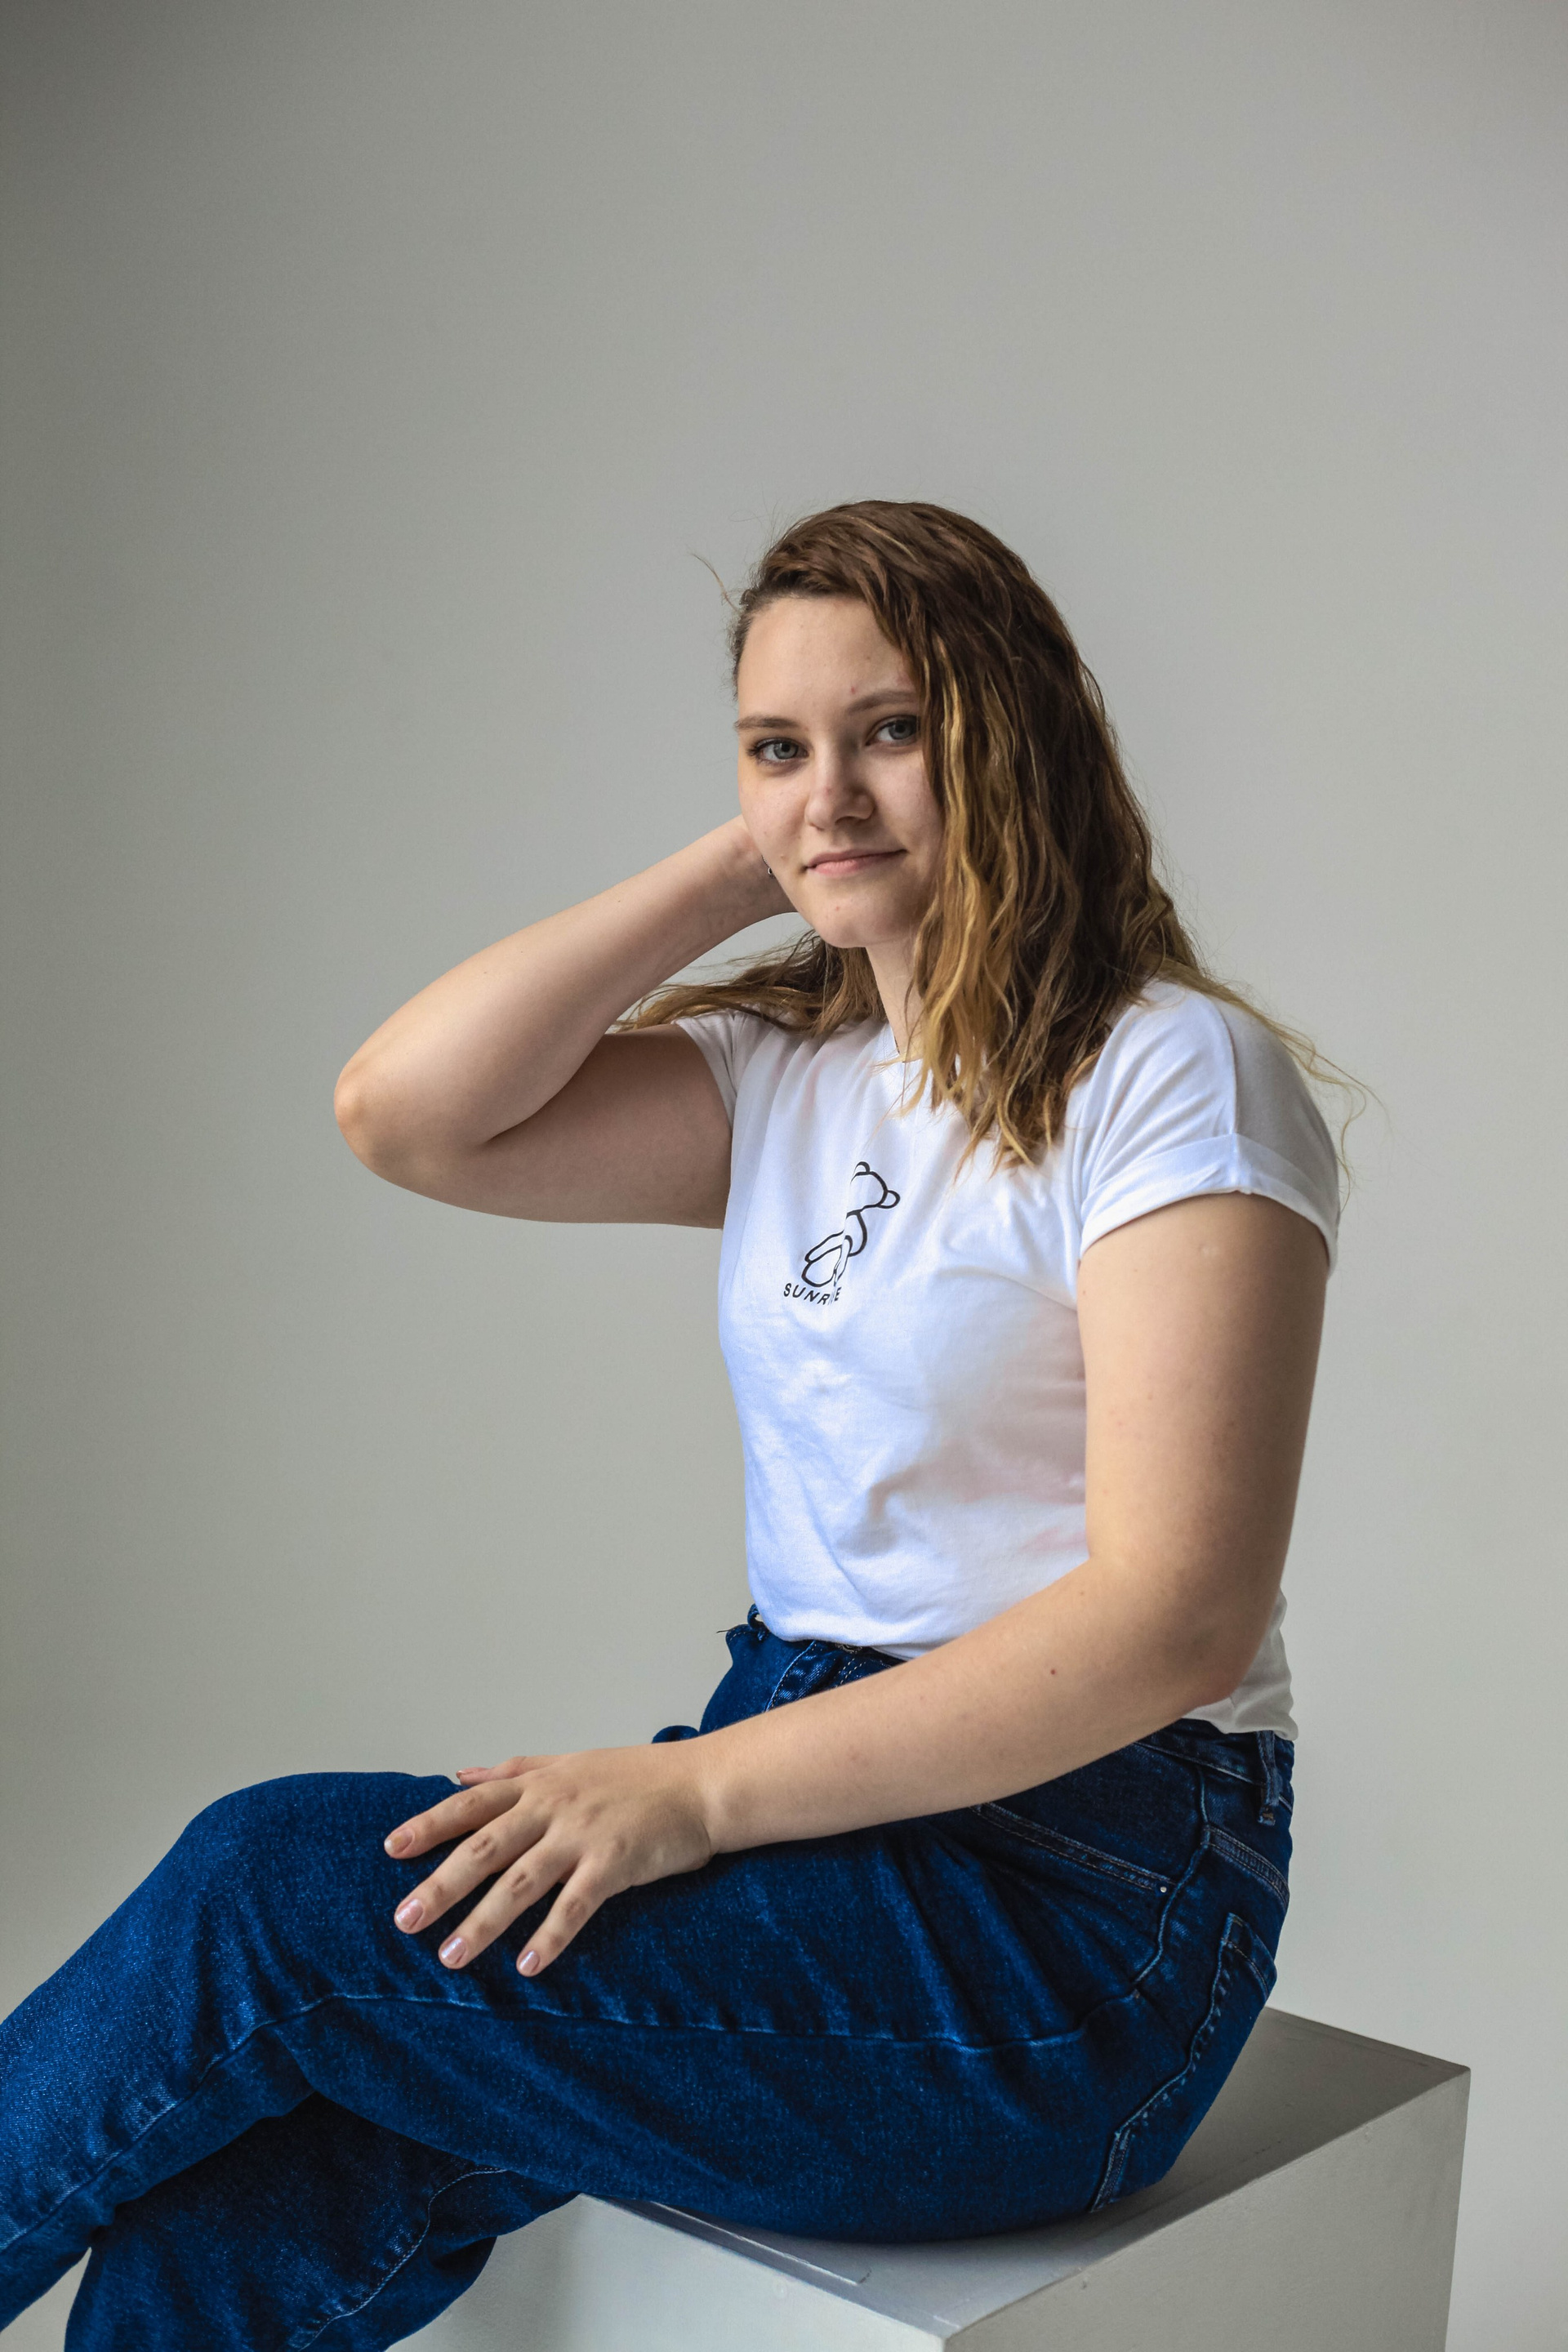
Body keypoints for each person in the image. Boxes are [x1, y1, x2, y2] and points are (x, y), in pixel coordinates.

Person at [0, 501, 1341, 2348]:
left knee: (267, 1886)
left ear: (1012, 735)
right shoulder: (793, 1075)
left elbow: (1176, 1615)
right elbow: (406, 1114)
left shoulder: (1171, 1073)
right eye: (777, 746)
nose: (832, 788)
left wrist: (693, 1796)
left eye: (893, 729)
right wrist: (770, 855)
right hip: (804, 1781)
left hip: (1075, 1913)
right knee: (291, 2162)